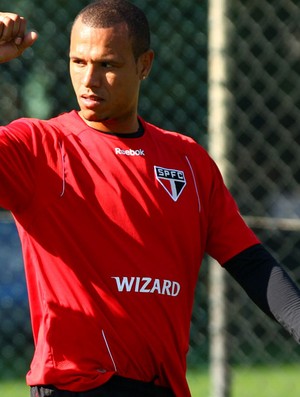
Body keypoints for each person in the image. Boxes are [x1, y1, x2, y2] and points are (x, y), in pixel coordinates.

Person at [0, 1, 300, 396]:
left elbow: (251, 263)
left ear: (145, 64)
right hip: (75, 387)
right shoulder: (40, 148)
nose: (89, 79)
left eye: (107, 64)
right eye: (78, 61)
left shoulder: (187, 160)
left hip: (163, 386)